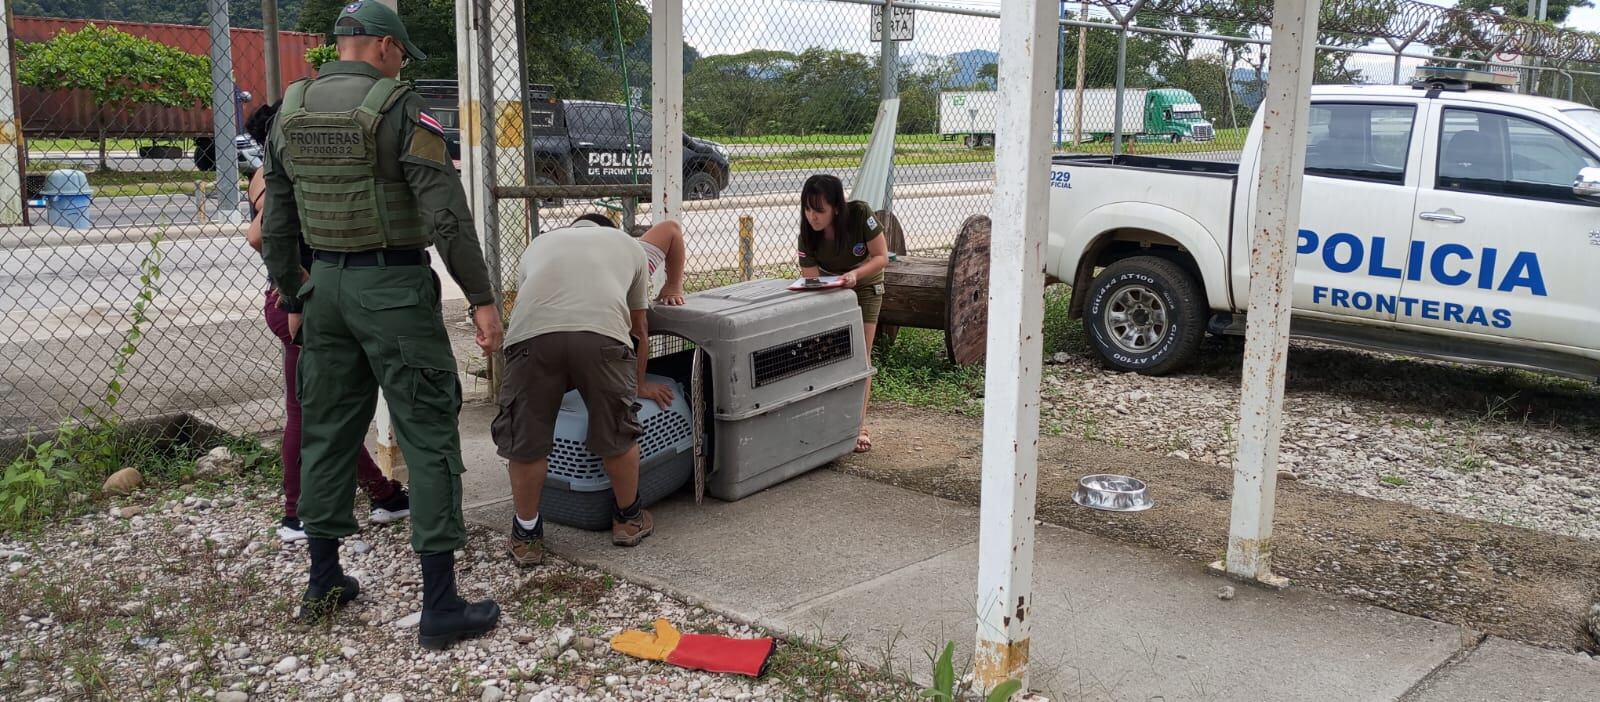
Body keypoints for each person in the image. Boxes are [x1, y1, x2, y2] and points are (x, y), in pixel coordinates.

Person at [259, 1, 503, 650]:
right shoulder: (400, 109)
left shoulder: (291, 108)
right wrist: (481, 298)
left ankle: (324, 578)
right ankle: (441, 605)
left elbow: (277, 219)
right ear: (382, 47)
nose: (401, 63)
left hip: (324, 290)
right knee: (426, 432)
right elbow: (446, 214)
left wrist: (293, 292)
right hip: (392, 289)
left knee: (328, 432)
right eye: (400, 53)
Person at [243, 101, 411, 543]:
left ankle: (383, 494)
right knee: (309, 413)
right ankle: (295, 513)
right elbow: (260, 234)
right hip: (300, 304)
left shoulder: (268, 173)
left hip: (295, 302)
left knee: (329, 409)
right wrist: (300, 287)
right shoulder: (280, 178)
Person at [491, 215, 676, 568]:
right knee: (618, 433)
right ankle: (628, 518)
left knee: (525, 440)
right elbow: (639, 328)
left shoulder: (539, 244)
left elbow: (537, 308)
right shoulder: (628, 246)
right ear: (608, 228)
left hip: (530, 339)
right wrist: (637, 385)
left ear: (573, 227)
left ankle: (526, 534)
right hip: (603, 337)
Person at [796, 174, 889, 453]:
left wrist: (854, 275)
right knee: (827, 353)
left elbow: (881, 256)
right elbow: (811, 280)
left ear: (837, 207)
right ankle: (829, 420)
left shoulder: (860, 214)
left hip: (865, 286)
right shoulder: (807, 235)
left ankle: (858, 426)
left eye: (819, 210)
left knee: (861, 355)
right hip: (830, 290)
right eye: (808, 209)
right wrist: (831, 288)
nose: (812, 216)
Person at [576, 213, 688, 306]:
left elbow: (671, 229)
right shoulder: (629, 261)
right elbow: (671, 228)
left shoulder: (633, 261)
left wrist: (673, 286)